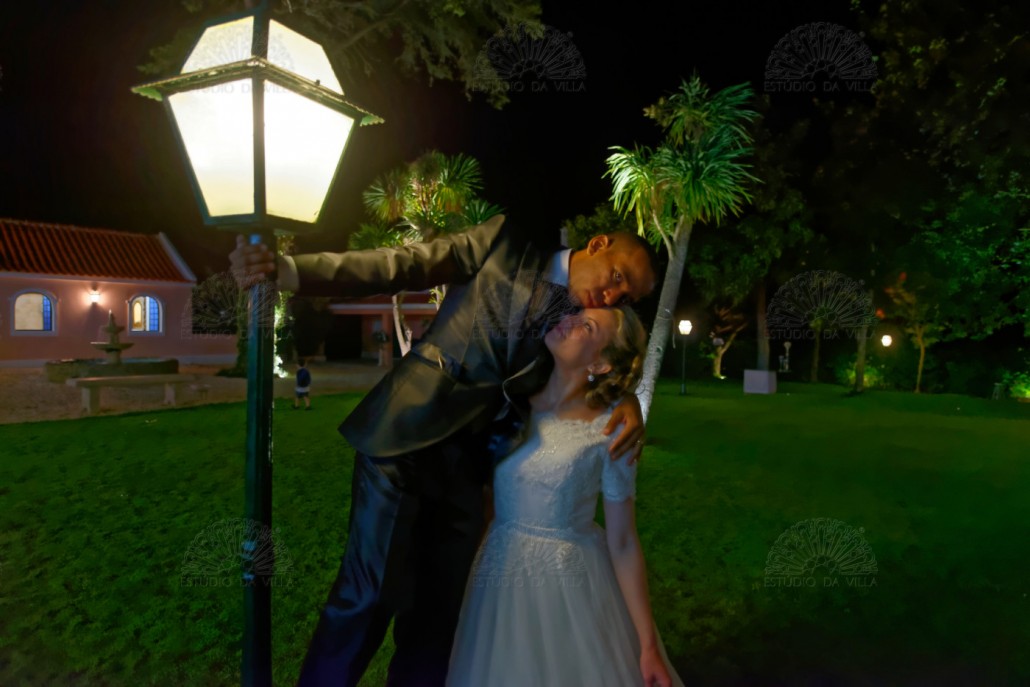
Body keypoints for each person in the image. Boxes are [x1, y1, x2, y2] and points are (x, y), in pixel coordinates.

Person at [229, 215, 660, 686]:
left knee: (437, 618)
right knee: (369, 595)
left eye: (626, 297)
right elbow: (402, 264)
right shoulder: (503, 245)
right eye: (617, 277)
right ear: (597, 245)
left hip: (470, 472)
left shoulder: (574, 329)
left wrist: (624, 401)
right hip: (405, 436)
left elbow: (587, 377)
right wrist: (291, 272)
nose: (612, 296)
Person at [447, 306, 684, 687]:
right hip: (497, 570)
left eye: (586, 326)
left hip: (565, 583)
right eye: (576, 313)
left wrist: (647, 645)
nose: (567, 320)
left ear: (600, 363)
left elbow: (623, 540)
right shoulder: (511, 399)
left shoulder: (613, 428)